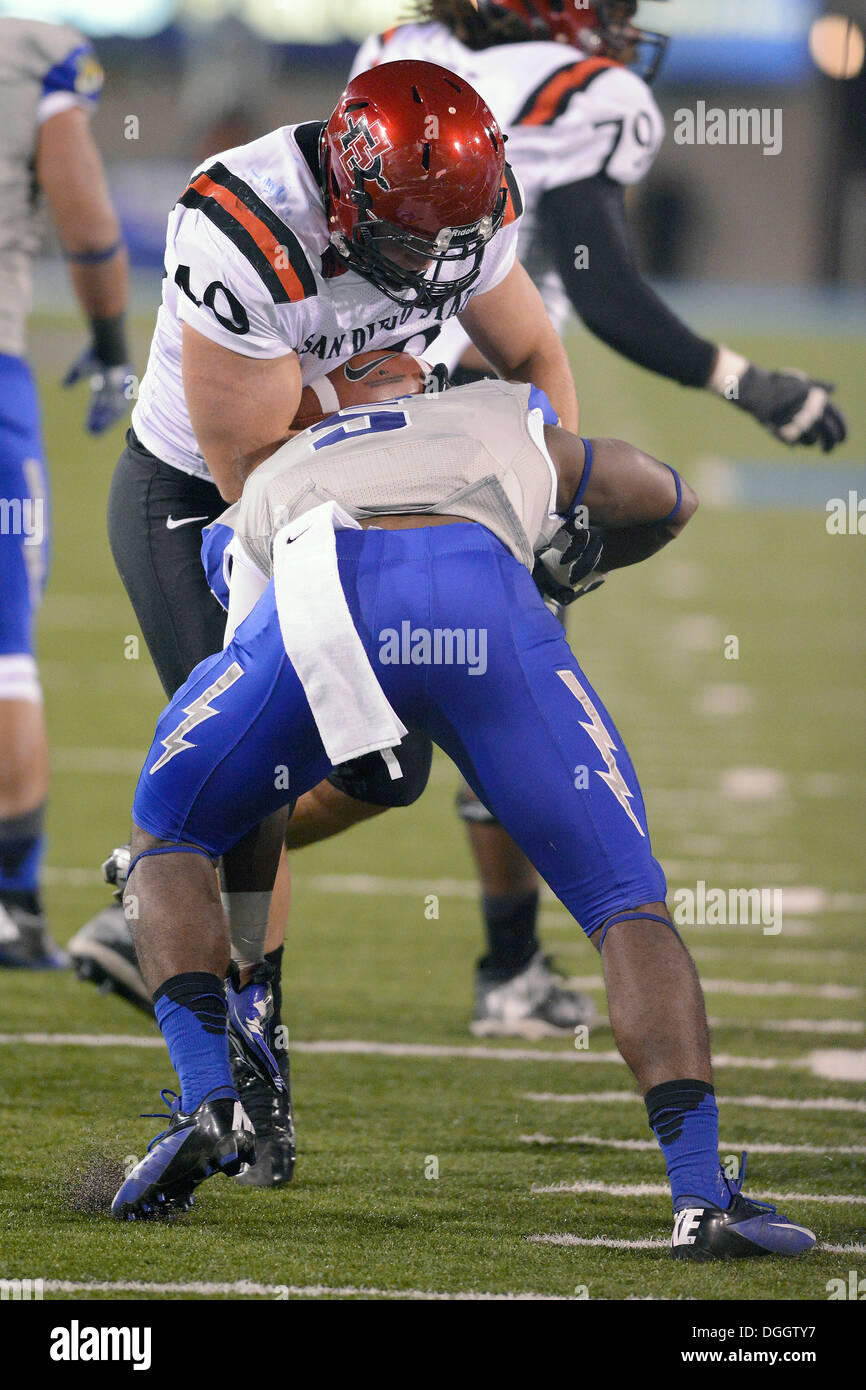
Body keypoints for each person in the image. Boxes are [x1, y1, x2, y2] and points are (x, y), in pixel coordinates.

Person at [110, 379, 814, 1262]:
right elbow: (667, 494)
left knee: (166, 831)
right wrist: (572, 563)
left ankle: (208, 1100)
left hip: (327, 594)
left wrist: (245, 947)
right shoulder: (495, 411)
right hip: (484, 600)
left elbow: (259, 774)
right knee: (626, 902)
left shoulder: (264, 478)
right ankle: (702, 1197)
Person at [70, 58, 579, 1187]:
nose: (436, 267)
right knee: (255, 759)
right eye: (407, 240)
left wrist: (537, 508)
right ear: (345, 198)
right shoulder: (241, 225)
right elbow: (252, 469)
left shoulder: (459, 206)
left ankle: (160, 870)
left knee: (387, 768)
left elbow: (535, 357)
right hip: (206, 496)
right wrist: (382, 405)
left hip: (355, 477)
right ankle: (251, 1062)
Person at [344, 0, 848, 1038]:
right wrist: (744, 379)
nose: (617, 25)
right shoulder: (591, 95)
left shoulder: (399, 51)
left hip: (353, 396)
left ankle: (500, 959)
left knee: (361, 697)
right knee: (493, 698)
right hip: (473, 415)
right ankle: (202, 870)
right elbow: (597, 284)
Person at [0, 16, 131, 969]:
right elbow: (85, 216)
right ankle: (10, 900)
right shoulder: (34, 50)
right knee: (5, 653)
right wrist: (114, 347)